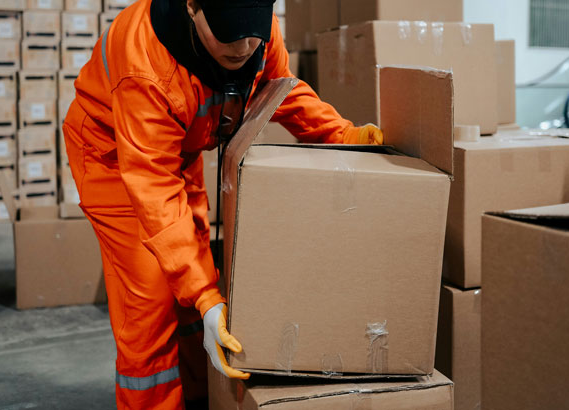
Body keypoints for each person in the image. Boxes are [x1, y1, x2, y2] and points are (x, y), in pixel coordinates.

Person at [62, 0, 383, 408]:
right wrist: (205, 296)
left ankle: (200, 396)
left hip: (178, 152)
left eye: (253, 31)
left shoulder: (259, 33)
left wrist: (344, 135)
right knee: (152, 298)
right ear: (192, 6)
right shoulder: (144, 62)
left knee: (197, 279)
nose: (244, 45)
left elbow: (279, 89)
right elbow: (154, 187)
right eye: (229, 31)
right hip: (113, 157)